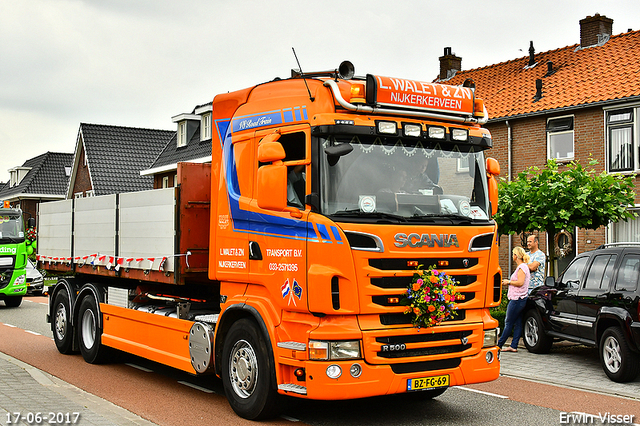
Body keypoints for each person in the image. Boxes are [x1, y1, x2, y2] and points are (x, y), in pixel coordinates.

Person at [498, 246, 530, 352]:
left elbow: (520, 283)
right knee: (518, 322)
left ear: (516, 256)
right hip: (521, 298)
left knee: (508, 322)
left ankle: (499, 345)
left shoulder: (522, 268)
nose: (512, 256)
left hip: (517, 299)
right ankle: (514, 346)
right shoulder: (524, 267)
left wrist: (508, 282)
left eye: (513, 254)